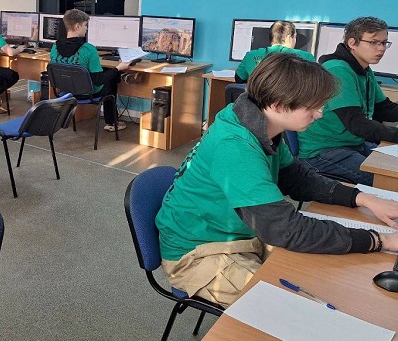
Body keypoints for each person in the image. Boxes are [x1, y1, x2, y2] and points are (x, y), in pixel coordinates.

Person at [156, 53, 398, 308]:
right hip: (198, 252)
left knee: (327, 276)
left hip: (240, 234)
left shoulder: (259, 122)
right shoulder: (236, 146)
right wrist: (379, 240)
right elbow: (284, 229)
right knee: (294, 307)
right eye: (312, 107)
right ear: (278, 105)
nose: (319, 114)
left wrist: (364, 199)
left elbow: (298, 179)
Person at [298, 16, 398, 185]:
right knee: (389, 180)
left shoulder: (364, 69)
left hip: (352, 144)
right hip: (324, 151)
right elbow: (357, 124)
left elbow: (384, 108)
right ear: (352, 42)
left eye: (384, 43)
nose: (381, 48)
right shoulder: (338, 70)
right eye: (373, 42)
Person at [49, 9, 130, 132]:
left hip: (65, 91)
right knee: (111, 81)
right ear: (77, 26)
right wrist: (119, 68)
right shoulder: (88, 49)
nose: (86, 29)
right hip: (87, 93)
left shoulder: (55, 47)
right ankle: (111, 122)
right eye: (85, 25)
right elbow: (98, 81)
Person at [235, 20, 315, 83]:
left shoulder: (251, 55)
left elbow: (239, 79)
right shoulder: (306, 57)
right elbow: (315, 84)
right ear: (288, 38)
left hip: (258, 98)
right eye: (294, 37)